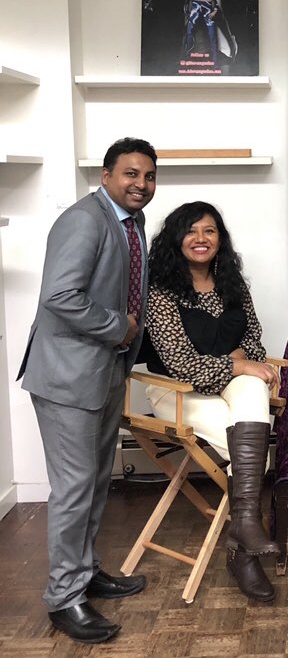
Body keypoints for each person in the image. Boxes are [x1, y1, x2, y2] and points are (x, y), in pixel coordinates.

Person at [18, 138, 157, 644]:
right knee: (75, 488)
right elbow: (60, 296)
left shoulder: (132, 223)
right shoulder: (84, 220)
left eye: (149, 176)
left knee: (96, 481)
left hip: (103, 372)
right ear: (106, 175)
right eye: (130, 174)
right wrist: (120, 327)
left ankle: (86, 571)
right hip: (67, 378)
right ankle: (63, 598)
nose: (141, 184)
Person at [144, 201, 279, 603]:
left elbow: (253, 340)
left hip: (229, 383)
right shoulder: (161, 291)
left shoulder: (232, 284)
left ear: (220, 239)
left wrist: (243, 362)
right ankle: (244, 549)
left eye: (209, 230)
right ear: (176, 239)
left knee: (252, 391)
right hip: (176, 391)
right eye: (190, 231)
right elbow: (180, 363)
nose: (200, 239)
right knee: (253, 453)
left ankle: (243, 535)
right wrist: (237, 364)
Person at [183, 0, 237, 66]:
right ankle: (186, 57)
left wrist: (215, 9)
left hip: (208, 8)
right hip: (195, 7)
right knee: (189, 31)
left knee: (212, 34)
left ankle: (215, 60)